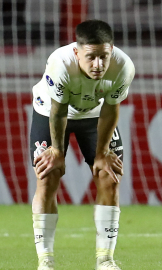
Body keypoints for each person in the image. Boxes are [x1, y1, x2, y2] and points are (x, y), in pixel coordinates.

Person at [29, 19, 135, 270]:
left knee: (109, 176)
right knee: (48, 175)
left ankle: (105, 260)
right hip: (50, 112)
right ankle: (46, 260)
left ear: (112, 50)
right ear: (77, 52)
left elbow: (111, 109)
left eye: (104, 57)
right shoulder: (60, 62)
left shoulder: (124, 67)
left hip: (96, 116)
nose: (98, 65)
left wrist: (102, 153)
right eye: (91, 57)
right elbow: (58, 112)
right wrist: (56, 151)